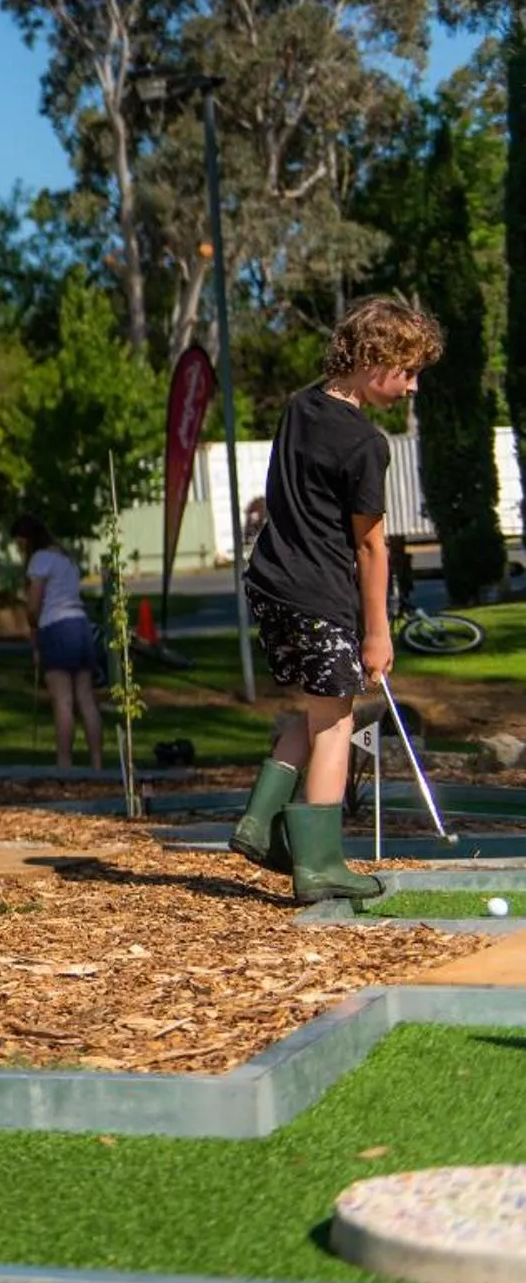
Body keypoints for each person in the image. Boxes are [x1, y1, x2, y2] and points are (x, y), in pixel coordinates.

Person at [228, 297, 443, 902]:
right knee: (338, 721)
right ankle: (319, 863)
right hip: (319, 592)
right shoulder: (366, 445)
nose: (413, 387)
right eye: (408, 371)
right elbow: (371, 549)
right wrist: (378, 632)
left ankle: (257, 823)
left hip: (271, 584)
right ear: (376, 360)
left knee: (318, 707)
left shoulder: (298, 407)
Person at [12, 515, 101, 769]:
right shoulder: (66, 558)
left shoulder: (40, 559)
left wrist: (32, 627)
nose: (20, 550)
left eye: (20, 545)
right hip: (80, 625)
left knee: (62, 700)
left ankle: (65, 763)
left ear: (28, 540)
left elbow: (34, 604)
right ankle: (97, 763)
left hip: (56, 627)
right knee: (85, 698)